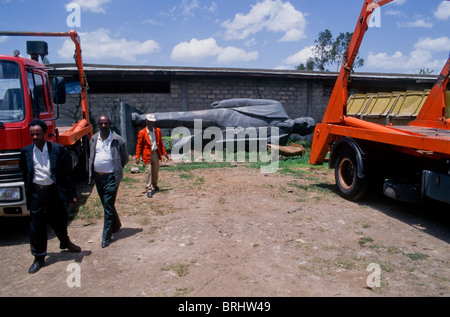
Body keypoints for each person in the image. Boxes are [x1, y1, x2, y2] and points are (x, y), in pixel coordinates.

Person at [20, 119, 81, 274]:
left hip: (54, 192)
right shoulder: (26, 152)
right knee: (37, 227)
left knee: (59, 221)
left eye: (38, 134)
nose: (34, 137)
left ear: (45, 134)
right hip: (36, 194)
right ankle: (39, 257)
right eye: (32, 134)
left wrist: (72, 195)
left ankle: (65, 242)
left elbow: (67, 174)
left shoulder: (58, 150)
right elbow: (25, 172)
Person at [89, 114, 129, 248]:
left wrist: (117, 170)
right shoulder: (94, 139)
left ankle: (106, 236)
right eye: (101, 124)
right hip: (98, 177)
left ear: (110, 124)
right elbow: (90, 156)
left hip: (111, 177)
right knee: (108, 205)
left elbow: (124, 158)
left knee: (107, 205)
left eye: (106, 123)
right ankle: (116, 225)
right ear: (98, 125)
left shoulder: (118, 140)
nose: (103, 126)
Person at [135, 114, 169, 198]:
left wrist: (164, 153)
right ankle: (149, 189)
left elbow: (160, 143)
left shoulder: (157, 131)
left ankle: (154, 184)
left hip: (155, 153)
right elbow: (139, 145)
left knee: (155, 170)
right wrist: (137, 157)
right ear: (146, 122)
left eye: (152, 122)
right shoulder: (142, 132)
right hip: (147, 154)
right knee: (148, 171)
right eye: (149, 122)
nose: (151, 124)